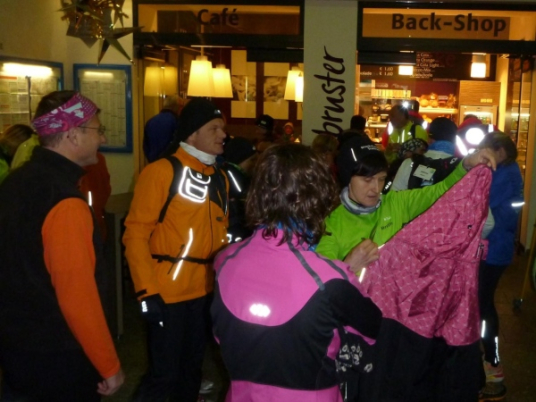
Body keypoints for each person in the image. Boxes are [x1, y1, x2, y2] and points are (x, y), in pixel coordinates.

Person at [211, 143, 383, 402]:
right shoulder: (330, 279)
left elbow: (223, 333)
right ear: (319, 200)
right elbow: (373, 328)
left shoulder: (224, 260)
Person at [0, 90, 124, 400]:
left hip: (17, 347)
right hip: (59, 356)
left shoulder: (16, 182)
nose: (103, 138)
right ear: (72, 134)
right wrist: (109, 364)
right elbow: (77, 296)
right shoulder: (64, 202)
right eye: (97, 129)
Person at [123, 97, 229, 402]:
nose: (223, 134)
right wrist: (146, 292)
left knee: (191, 372)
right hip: (167, 293)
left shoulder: (220, 177)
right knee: (164, 375)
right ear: (192, 133)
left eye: (222, 128)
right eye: (214, 128)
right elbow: (135, 235)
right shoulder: (160, 172)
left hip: (205, 292)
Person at [477, 132, 523, 401]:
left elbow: (482, 204)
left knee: (483, 306)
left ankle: (493, 366)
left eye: (487, 150)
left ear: (501, 151)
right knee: (483, 304)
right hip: (496, 248)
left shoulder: (503, 174)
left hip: (494, 249)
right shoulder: (507, 171)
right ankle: (488, 363)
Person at [391, 117, 460, 192]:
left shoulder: (409, 163)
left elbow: (394, 194)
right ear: (455, 141)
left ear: (429, 140)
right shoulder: (460, 167)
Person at [222, 136, 258, 243]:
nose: (255, 164)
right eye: (252, 160)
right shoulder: (230, 174)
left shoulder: (241, 174)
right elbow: (243, 194)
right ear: (239, 160)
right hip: (235, 232)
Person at [143, 94, 181, 163]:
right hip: (170, 162)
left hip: (153, 161)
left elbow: (146, 146)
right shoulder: (176, 121)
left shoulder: (151, 121)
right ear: (176, 107)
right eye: (180, 106)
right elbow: (177, 144)